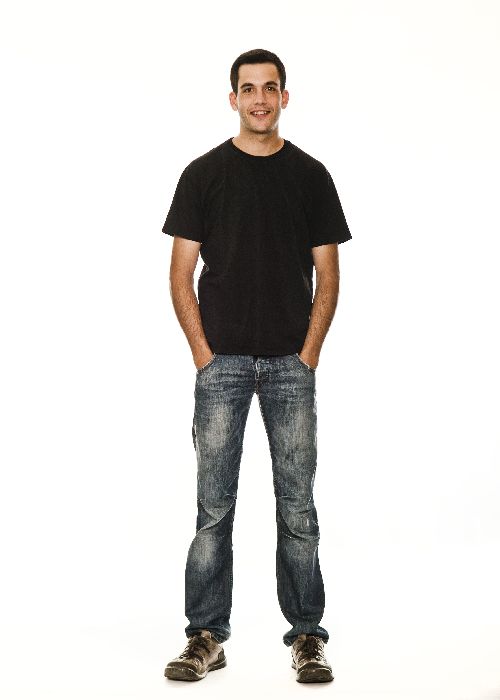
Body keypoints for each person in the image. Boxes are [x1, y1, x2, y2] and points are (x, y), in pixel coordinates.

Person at [161, 48, 352, 683]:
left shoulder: (311, 176)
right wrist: (204, 354)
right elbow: (180, 274)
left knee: (298, 508)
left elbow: (328, 274)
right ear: (234, 99)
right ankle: (205, 636)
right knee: (213, 509)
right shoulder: (203, 174)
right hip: (221, 368)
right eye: (249, 89)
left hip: (290, 368)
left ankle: (307, 637)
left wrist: (308, 354)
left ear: (284, 97)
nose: (260, 99)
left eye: (270, 88)